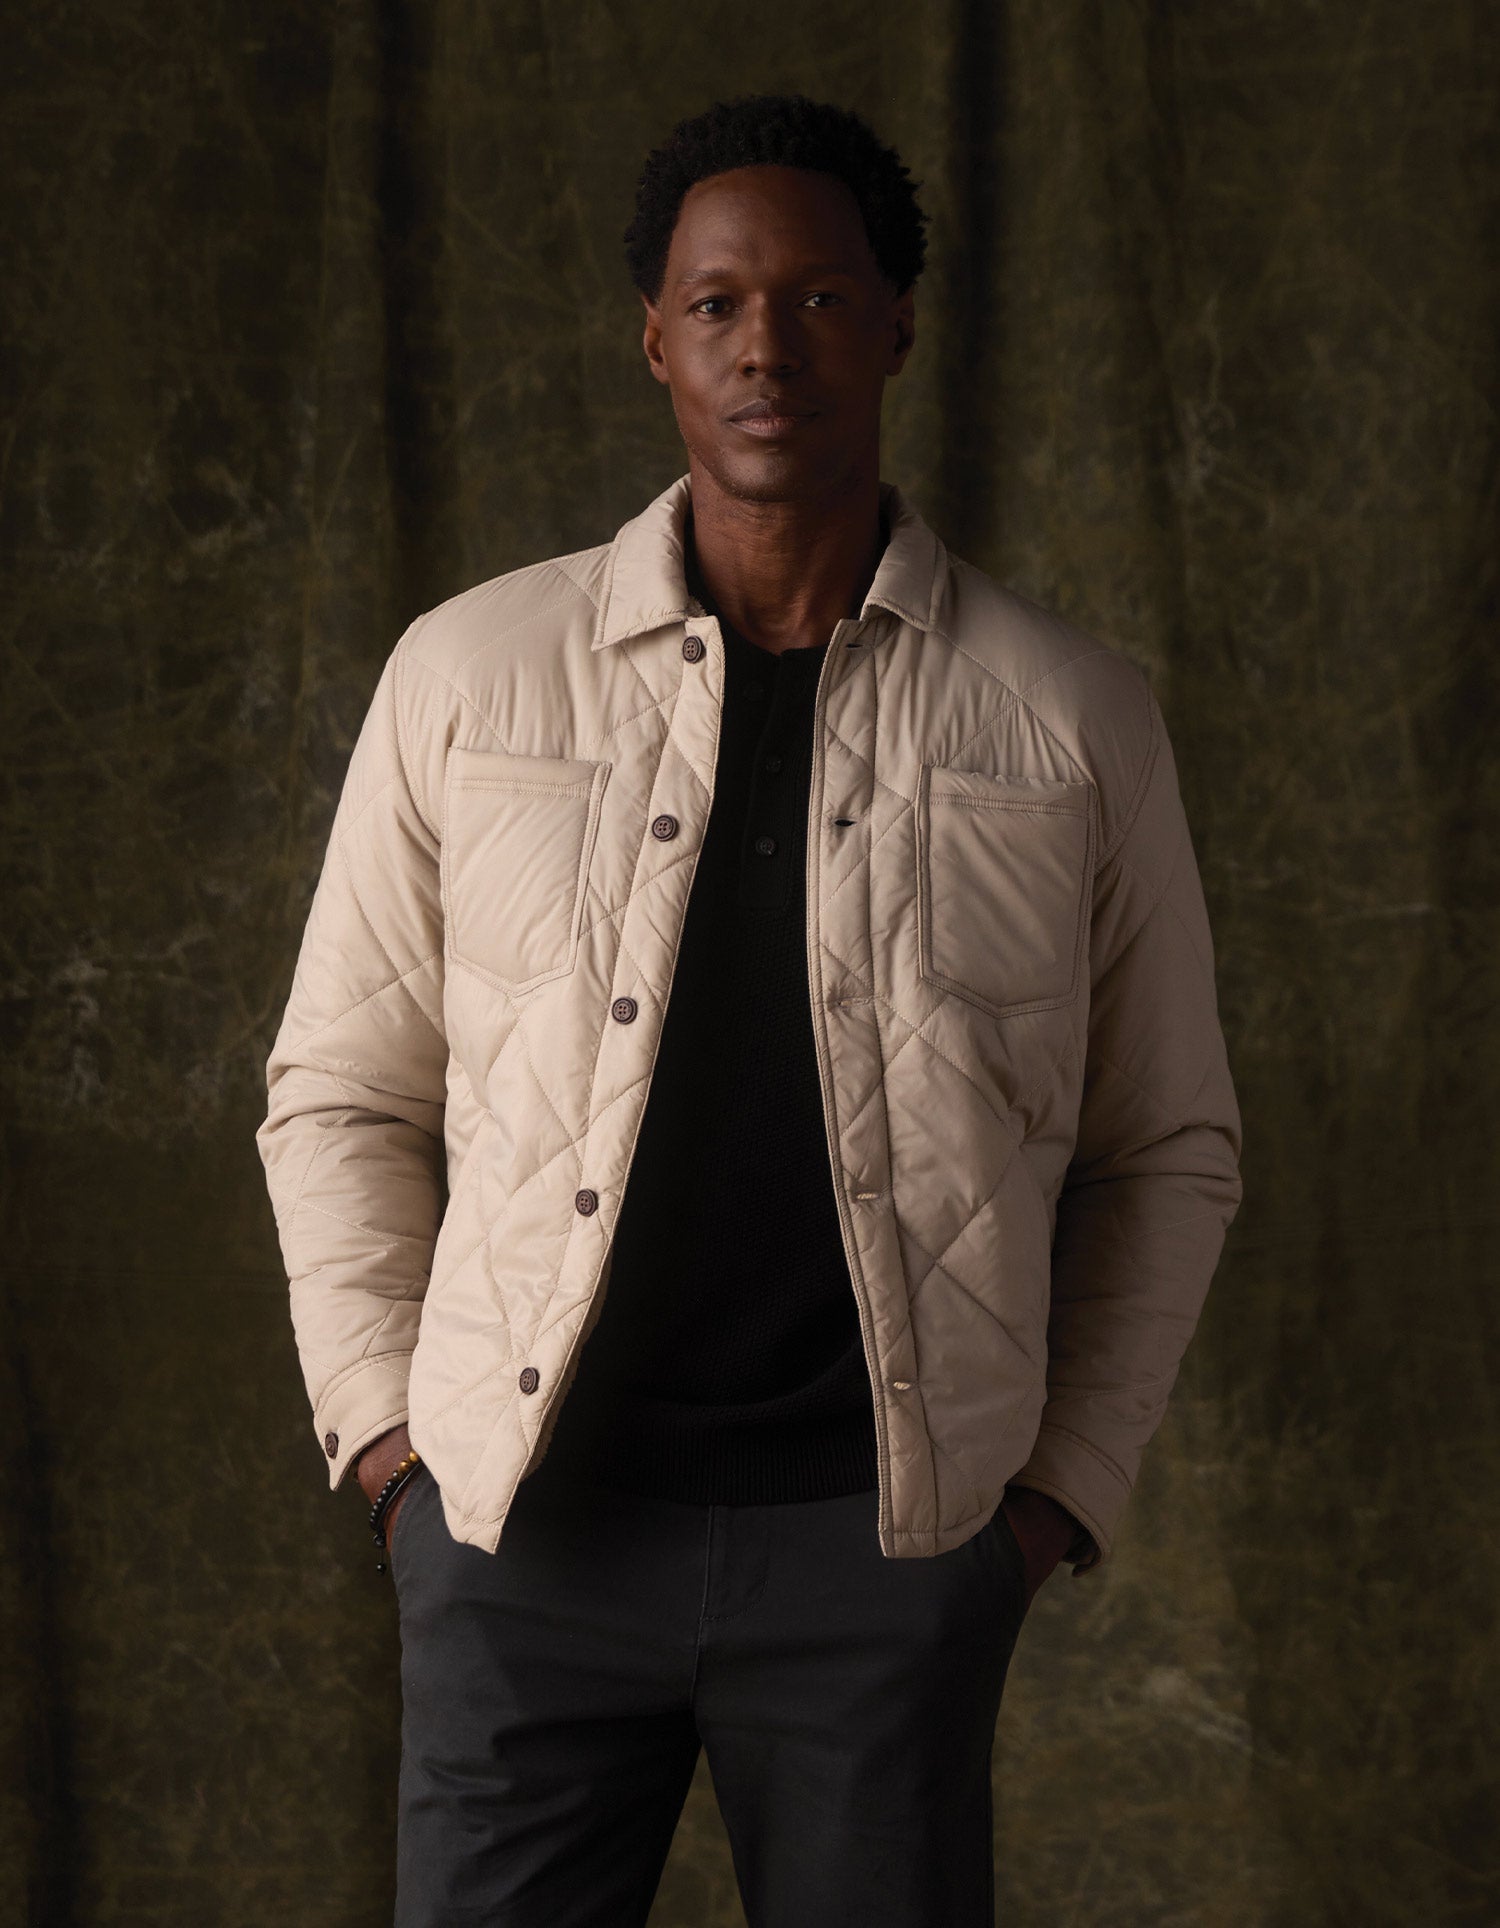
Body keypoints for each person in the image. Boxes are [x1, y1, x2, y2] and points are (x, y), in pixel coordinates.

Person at [257, 92, 1243, 1928]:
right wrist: (397, 1457)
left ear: (897, 327)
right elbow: (339, 1093)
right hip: (522, 1538)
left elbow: (1167, 1144)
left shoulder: (1068, 715)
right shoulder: (469, 674)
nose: (765, 346)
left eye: (816, 298)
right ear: (657, 339)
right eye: (717, 304)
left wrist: (1043, 1508)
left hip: (887, 1553)